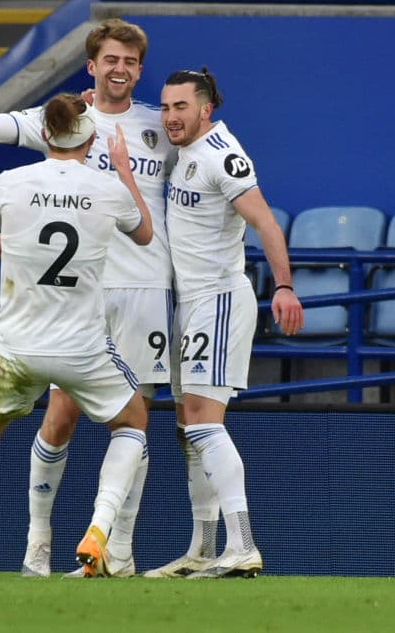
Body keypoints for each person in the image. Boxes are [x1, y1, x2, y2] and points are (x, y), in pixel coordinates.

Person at [0, 18, 173, 578]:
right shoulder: (65, 118)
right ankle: (38, 542)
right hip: (79, 298)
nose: (120, 70)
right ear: (92, 66)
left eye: (130, 62)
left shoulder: (158, 124)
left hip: (144, 289)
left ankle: (119, 551)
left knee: (135, 418)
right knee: (59, 419)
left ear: (139, 70)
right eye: (111, 60)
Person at [0, 94, 154, 578]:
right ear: (90, 138)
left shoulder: (10, 182)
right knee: (133, 422)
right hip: (83, 349)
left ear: (46, 134)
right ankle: (100, 526)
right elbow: (144, 235)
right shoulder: (107, 188)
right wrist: (122, 171)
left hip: (16, 347)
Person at [142, 68, 304, 579]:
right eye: (165, 106)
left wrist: (283, 286)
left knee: (204, 421)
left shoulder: (222, 155)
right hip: (188, 303)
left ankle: (242, 546)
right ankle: (203, 548)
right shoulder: (183, 150)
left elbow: (264, 221)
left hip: (220, 299)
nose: (170, 117)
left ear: (205, 109)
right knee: (188, 426)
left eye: (181, 107)